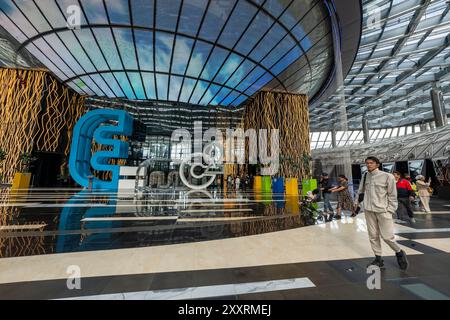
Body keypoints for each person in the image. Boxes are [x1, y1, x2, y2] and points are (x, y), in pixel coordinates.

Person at [355, 156, 409, 270]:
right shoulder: (365, 176)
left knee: (387, 237)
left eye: (371, 163)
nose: (369, 165)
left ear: (377, 164)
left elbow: (393, 195)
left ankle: (399, 252)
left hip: (383, 211)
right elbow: (360, 191)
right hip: (369, 210)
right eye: (367, 163)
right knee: (373, 236)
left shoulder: (387, 176)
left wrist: (390, 210)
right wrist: (357, 204)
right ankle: (378, 259)